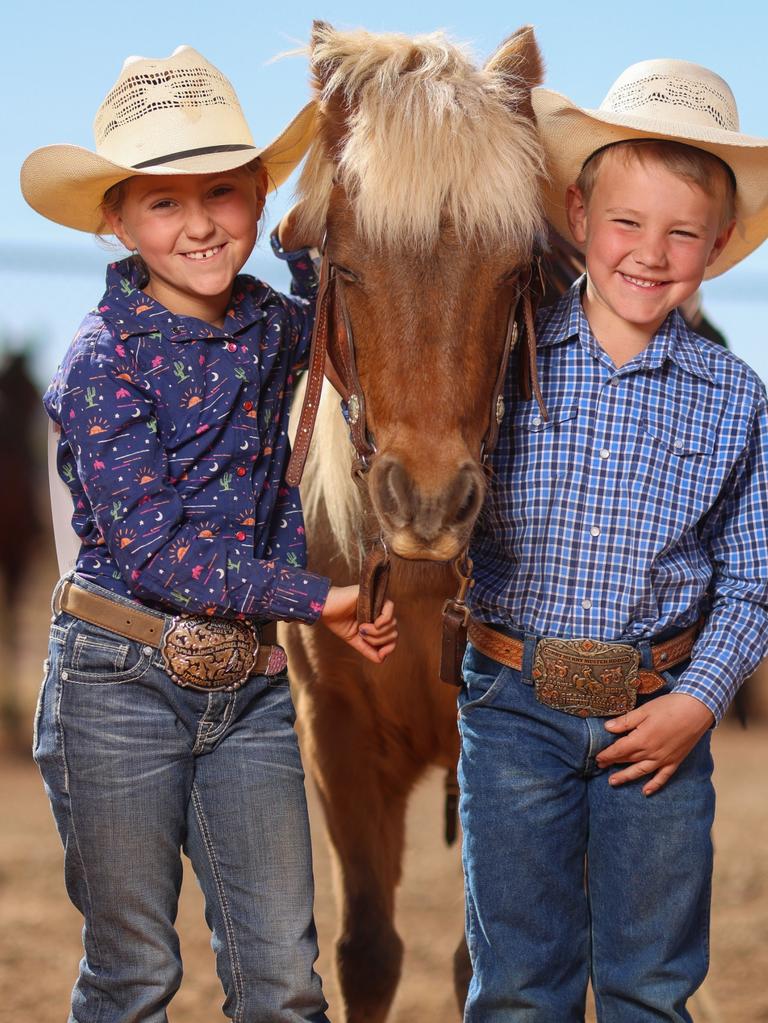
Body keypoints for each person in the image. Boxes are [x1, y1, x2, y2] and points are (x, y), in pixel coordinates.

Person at [21, 46, 397, 1023]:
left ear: (259, 195)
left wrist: (326, 208)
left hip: (252, 694)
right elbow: (160, 553)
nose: (197, 223)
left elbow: (341, 310)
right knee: (135, 975)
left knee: (283, 985)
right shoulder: (99, 367)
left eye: (222, 194)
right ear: (116, 222)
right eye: (162, 202)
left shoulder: (275, 327)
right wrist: (322, 600)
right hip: (117, 686)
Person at [459, 58, 768, 1021]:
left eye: (682, 232)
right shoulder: (500, 362)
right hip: (513, 709)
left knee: (649, 985)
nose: (650, 251)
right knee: (517, 985)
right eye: (627, 222)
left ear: (718, 246)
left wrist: (700, 703)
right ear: (578, 217)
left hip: (659, 717)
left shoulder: (737, 398)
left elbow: (754, 583)